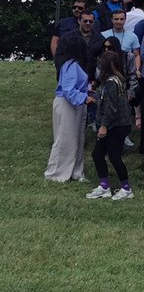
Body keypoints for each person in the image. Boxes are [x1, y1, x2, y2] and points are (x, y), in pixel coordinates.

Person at [87, 51, 134, 200]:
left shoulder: (112, 82)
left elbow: (111, 107)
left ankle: (126, 189)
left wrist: (104, 126)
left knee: (114, 155)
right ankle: (104, 186)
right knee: (98, 153)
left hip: (116, 125)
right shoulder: (114, 80)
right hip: (115, 124)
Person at [45, 34, 92, 183]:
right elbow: (68, 89)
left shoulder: (73, 65)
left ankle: (75, 171)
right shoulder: (71, 66)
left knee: (77, 139)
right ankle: (55, 173)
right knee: (65, 139)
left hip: (75, 105)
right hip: (67, 104)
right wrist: (84, 98)